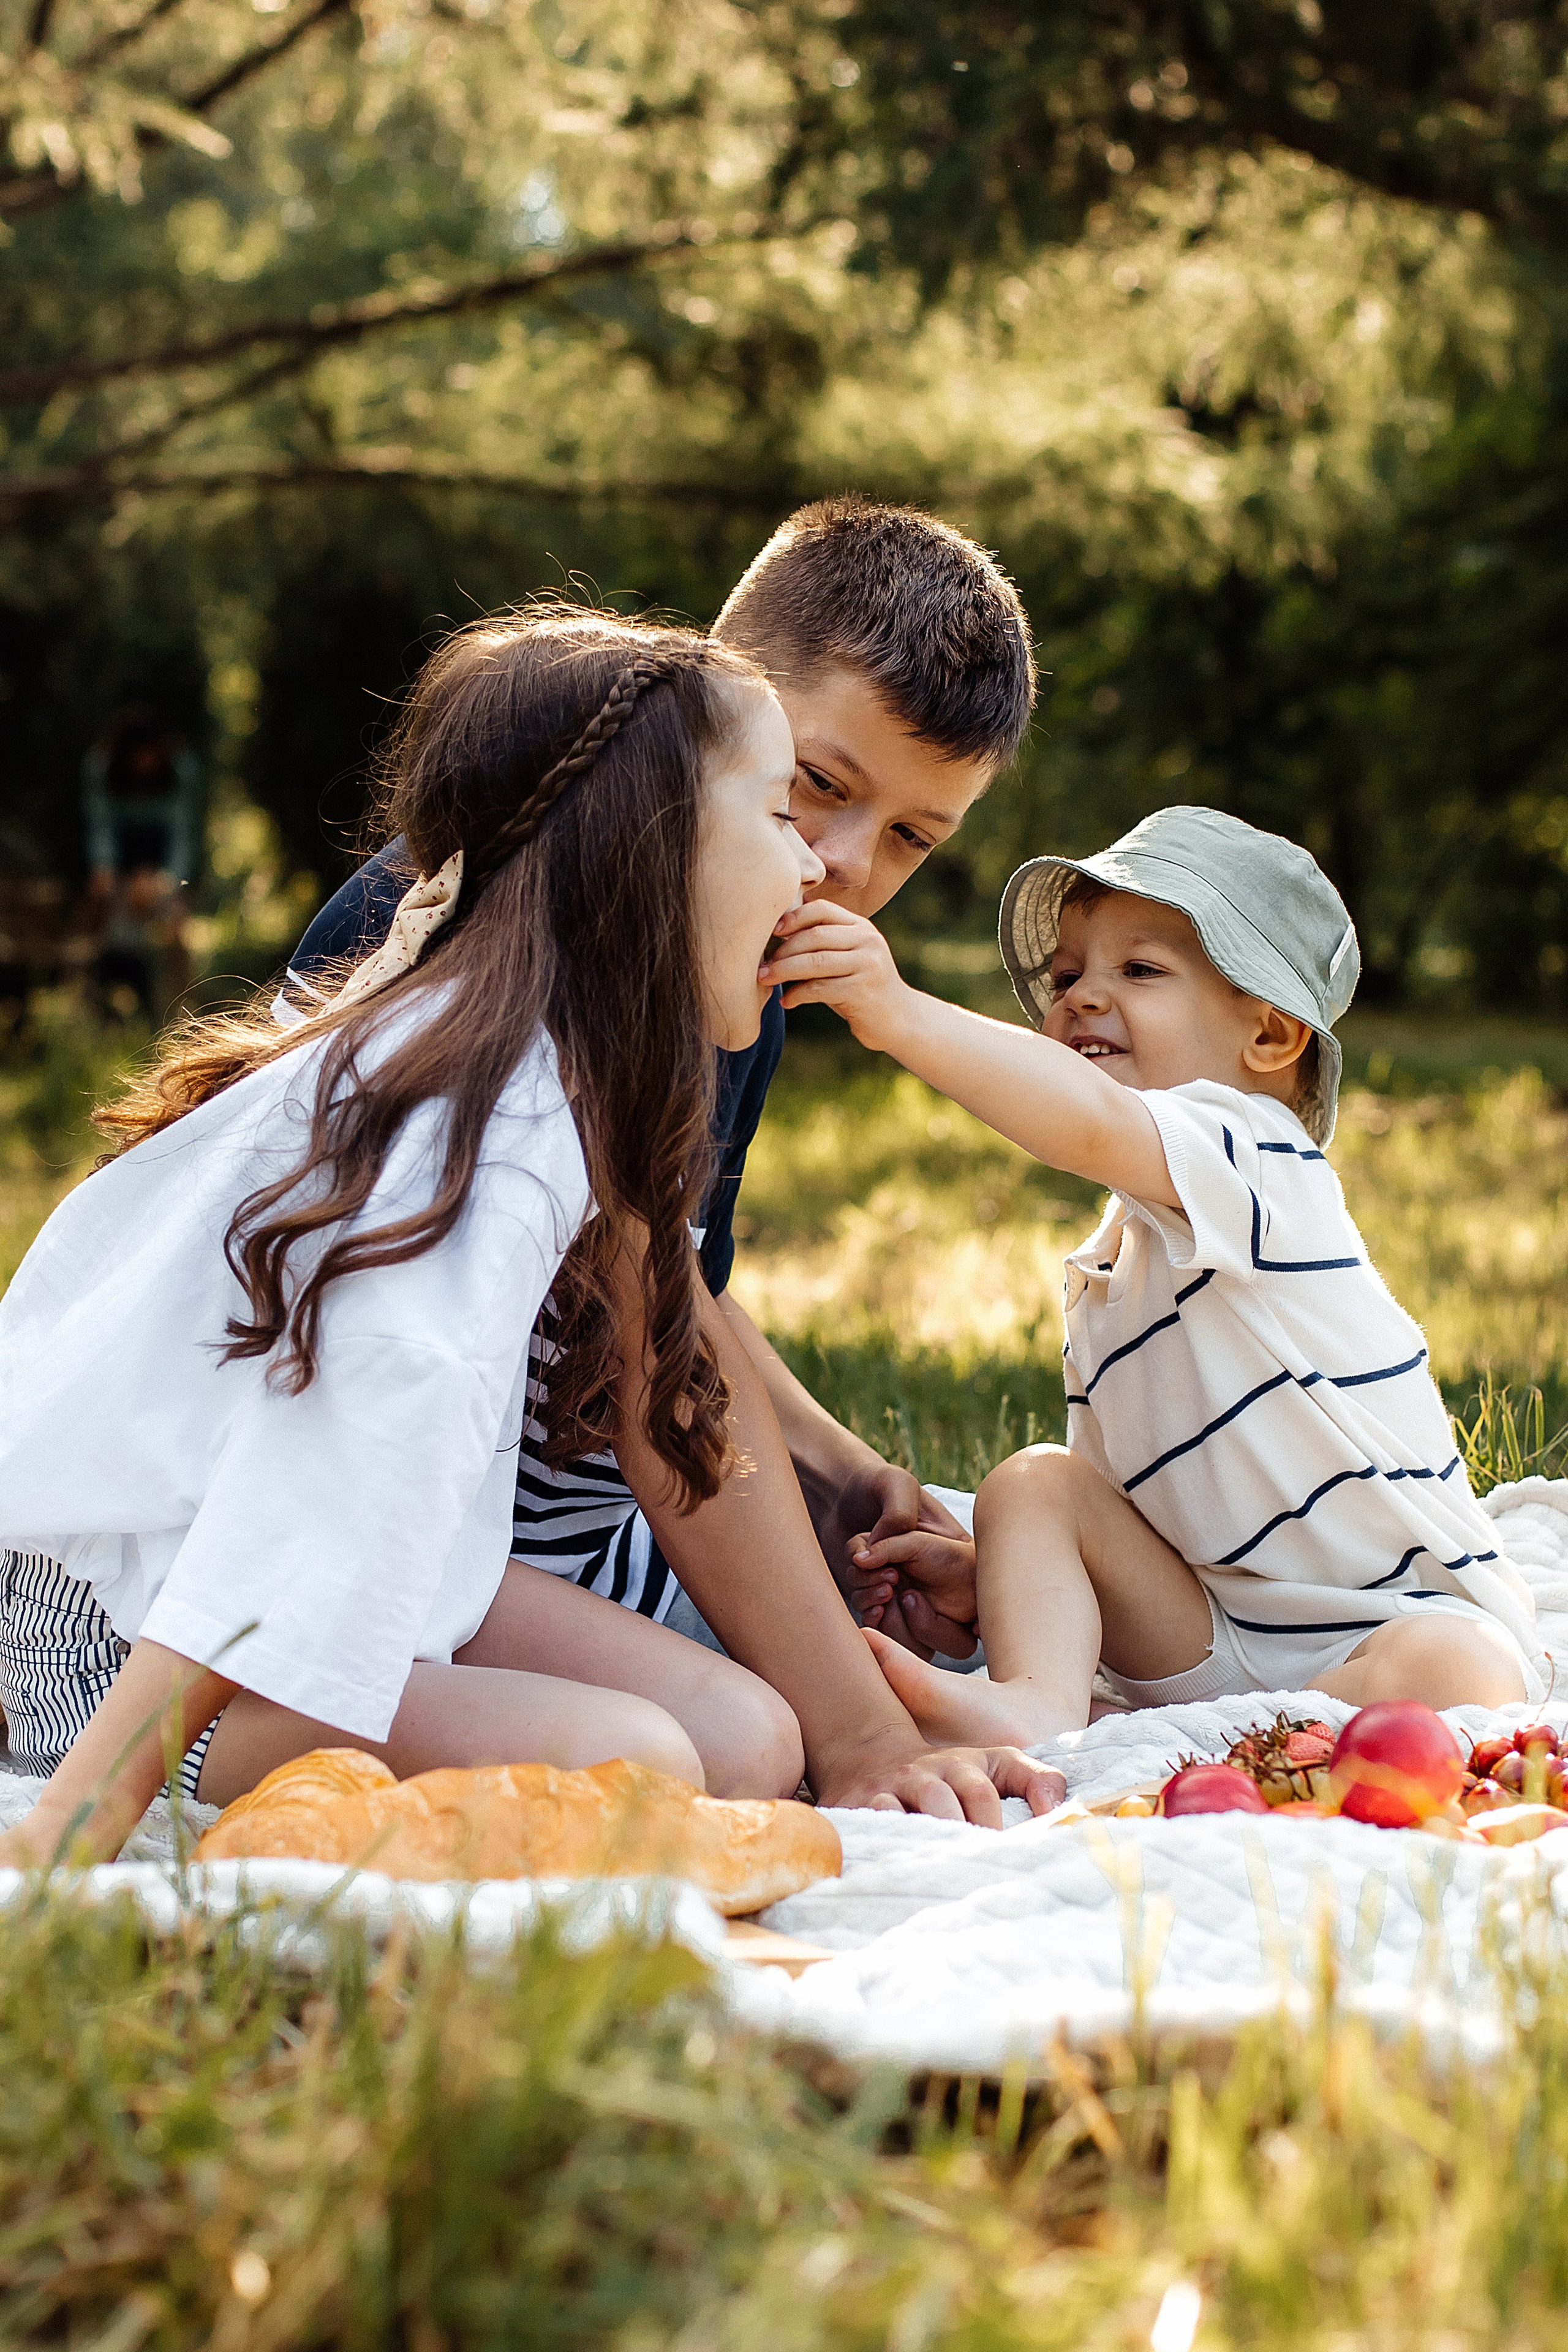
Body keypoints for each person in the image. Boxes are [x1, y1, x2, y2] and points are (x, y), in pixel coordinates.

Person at [0, 608, 1057, 1869]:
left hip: (377, 1577)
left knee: (745, 1741)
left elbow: (675, 1381)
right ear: (653, 850)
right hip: (133, 1633)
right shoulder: (479, 1136)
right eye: (782, 813)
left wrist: (859, 1726)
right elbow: (292, 1494)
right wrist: (83, 1806)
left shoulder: (575, 1075)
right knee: (659, 1766)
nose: (814, 869)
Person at [283, 500, 1036, 1661]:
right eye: (823, 783)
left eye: (912, 839)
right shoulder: (480, 915)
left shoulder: (748, 967)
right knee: (768, 1722)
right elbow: (634, 1329)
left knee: (1006, 1597)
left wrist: (842, 1474)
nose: (845, 866)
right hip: (395, 1515)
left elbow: (679, 1286)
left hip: (588, 1501)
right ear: (716, 695)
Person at [766, 804, 1548, 1739]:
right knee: (1036, 1484)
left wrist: (894, 1014)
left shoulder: (1259, 1160)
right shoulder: (1113, 1260)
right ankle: (1045, 1703)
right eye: (1066, 976)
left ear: (1268, 1037)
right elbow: (1136, 1513)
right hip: (1211, 1630)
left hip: (1384, 1623)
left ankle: (1252, 1731)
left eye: (1139, 970)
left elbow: (1088, 1120)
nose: (1082, 997)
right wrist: (1001, 1587)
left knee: (1459, 1671)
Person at [82, 705, 202, 1017]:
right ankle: (91, 1002)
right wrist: (105, 871)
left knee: (176, 926)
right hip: (120, 873)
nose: (143, 764)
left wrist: (166, 883)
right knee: (96, 913)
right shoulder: (101, 769)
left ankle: (180, 1011)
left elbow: (182, 837)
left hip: (161, 874)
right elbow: (101, 828)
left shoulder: (181, 772)